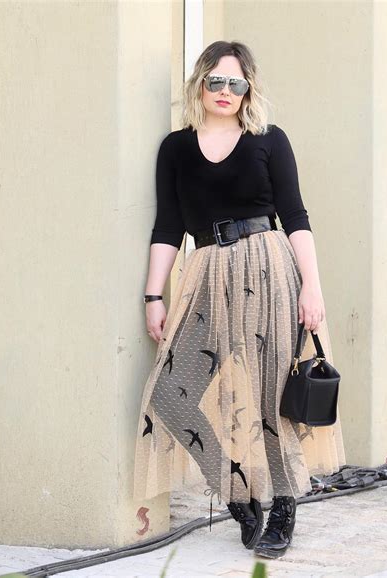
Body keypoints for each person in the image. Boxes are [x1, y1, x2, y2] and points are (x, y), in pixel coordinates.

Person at [133, 40, 346, 559]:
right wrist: (153, 294)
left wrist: (313, 287)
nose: (225, 91)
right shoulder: (176, 148)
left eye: (236, 83)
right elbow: (168, 226)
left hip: (269, 270)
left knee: (272, 397)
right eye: (216, 81)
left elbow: (295, 217)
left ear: (248, 89)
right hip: (207, 275)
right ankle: (237, 495)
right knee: (171, 394)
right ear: (200, 83)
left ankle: (284, 508)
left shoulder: (268, 140)